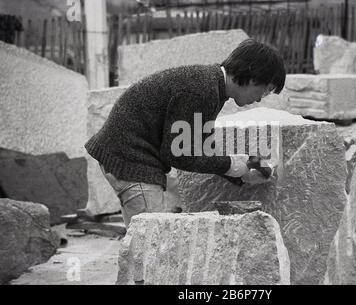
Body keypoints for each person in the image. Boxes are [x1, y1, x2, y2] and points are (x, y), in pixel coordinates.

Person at [85, 38, 286, 227]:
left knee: (144, 242)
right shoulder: (202, 89)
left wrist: (241, 174)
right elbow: (178, 154)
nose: (261, 99)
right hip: (131, 156)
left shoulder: (212, 86)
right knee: (150, 244)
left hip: (130, 153)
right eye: (266, 90)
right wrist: (236, 165)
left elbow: (202, 146)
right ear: (252, 75)